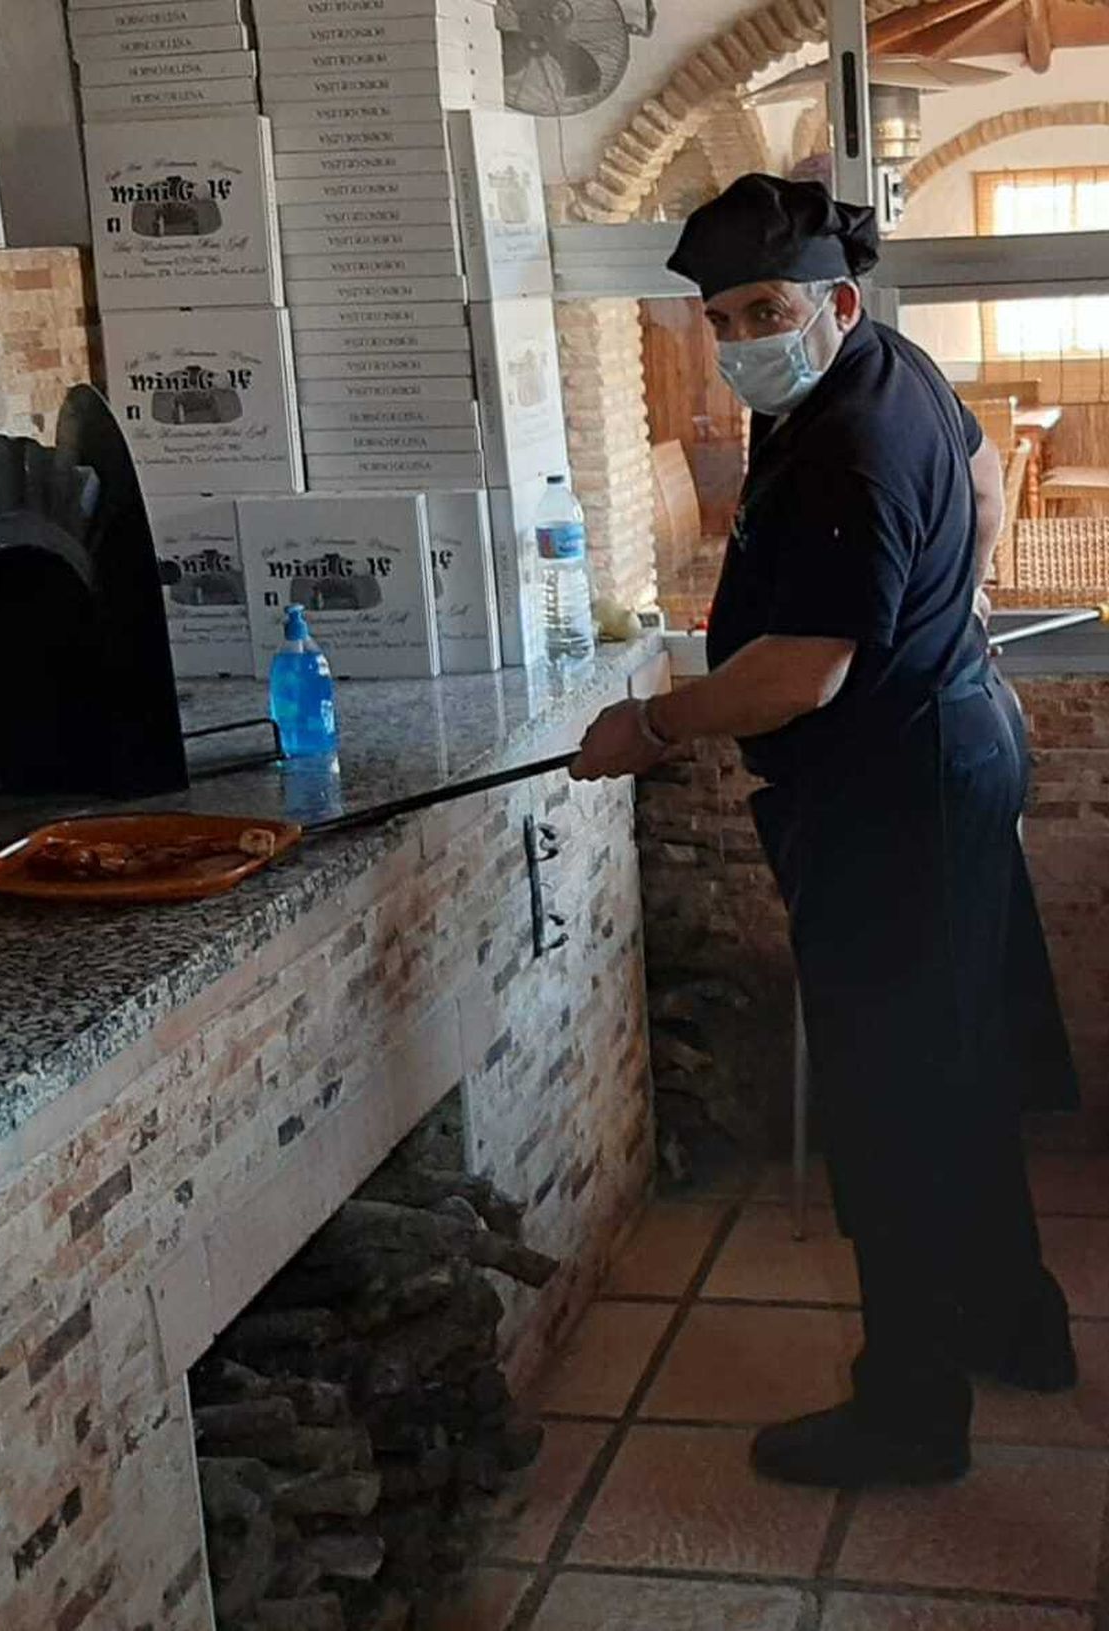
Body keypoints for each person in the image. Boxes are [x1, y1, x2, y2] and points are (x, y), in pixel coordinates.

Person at [570, 174, 1079, 1488]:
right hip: (949, 751)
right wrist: (953, 614)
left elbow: (802, 672)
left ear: (837, 302)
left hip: (897, 803)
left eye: (765, 309)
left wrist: (655, 725)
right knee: (957, 1068)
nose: (742, 339)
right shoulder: (883, 372)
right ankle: (1018, 1327)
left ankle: (911, 1411)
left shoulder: (845, 439)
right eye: (723, 318)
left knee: (892, 1104)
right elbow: (980, 475)